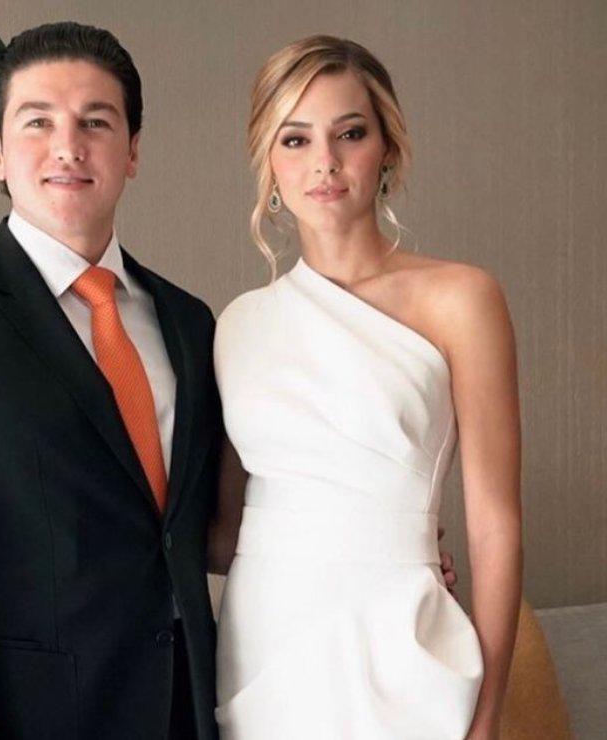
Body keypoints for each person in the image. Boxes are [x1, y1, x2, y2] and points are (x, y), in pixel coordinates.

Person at [0, 22, 461, 740]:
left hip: (196, 709)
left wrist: (372, 547)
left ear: (133, 150)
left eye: (96, 122)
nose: (68, 147)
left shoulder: (189, 322)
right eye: (38, 122)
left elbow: (205, 527)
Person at [210, 36, 523, 739]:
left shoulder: (461, 299)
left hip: (402, 643)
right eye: (295, 139)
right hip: (264, 647)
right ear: (269, 161)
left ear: (387, 148)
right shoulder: (238, 326)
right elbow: (225, 531)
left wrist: (489, 713)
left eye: (349, 133)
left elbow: (496, 522)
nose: (323, 162)